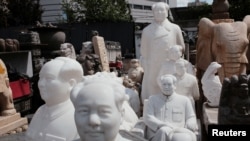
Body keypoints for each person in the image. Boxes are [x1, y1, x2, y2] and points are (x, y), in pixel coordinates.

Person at [26, 57, 84, 141]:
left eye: (49, 78)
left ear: (71, 84)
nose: (41, 84)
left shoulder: (78, 118)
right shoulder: (40, 112)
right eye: (40, 78)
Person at [140, 2, 185, 102]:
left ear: (167, 12)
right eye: (156, 10)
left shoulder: (174, 28)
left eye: (162, 10)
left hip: (170, 63)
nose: (159, 12)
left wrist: (176, 53)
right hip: (153, 64)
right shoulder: (147, 31)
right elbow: (144, 50)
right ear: (153, 12)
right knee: (154, 86)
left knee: (171, 85)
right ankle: (153, 106)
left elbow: (181, 47)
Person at [143, 74, 197, 141]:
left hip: (178, 132)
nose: (166, 87)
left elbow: (191, 116)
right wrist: (162, 125)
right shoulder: (153, 99)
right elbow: (148, 117)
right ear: (161, 86)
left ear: (174, 86)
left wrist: (191, 122)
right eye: (164, 84)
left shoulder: (184, 100)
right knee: (164, 131)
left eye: (169, 84)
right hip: (156, 133)